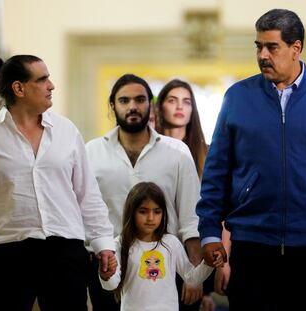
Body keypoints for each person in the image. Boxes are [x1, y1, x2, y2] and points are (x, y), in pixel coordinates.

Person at [197, 8, 306, 310]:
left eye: (272, 47)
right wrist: (210, 232)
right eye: (258, 46)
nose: (263, 54)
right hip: (250, 244)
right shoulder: (237, 97)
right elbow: (216, 171)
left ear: (296, 48)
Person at [0, 55, 116, 311]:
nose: (51, 85)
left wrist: (104, 243)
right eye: (42, 79)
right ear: (19, 88)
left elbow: (88, 194)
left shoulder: (66, 131)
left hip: (65, 251)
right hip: (6, 254)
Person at [86, 73, 203, 310]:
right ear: (112, 105)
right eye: (124, 100)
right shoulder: (91, 152)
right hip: (109, 264)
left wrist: (194, 275)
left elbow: (192, 218)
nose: (132, 106)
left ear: (151, 105)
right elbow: (85, 213)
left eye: (140, 99)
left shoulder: (177, 152)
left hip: (167, 268)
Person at [99, 182, 223, 311]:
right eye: (143, 211)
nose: (151, 218)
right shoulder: (120, 243)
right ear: (132, 211)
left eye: (157, 212)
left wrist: (209, 262)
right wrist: (107, 274)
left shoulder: (171, 242)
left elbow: (191, 279)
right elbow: (111, 285)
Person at [156, 79, 222, 311]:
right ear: (159, 107)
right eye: (172, 100)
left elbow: (218, 207)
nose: (179, 107)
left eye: (186, 101)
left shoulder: (207, 153)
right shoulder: (149, 151)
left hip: (198, 248)